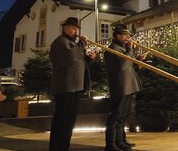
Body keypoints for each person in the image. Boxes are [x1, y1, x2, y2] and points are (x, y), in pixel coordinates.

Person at [49, 17, 96, 151]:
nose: (75, 31)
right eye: (73, 28)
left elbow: (76, 62)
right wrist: (81, 44)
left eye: (76, 28)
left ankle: (64, 146)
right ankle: (56, 147)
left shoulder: (72, 44)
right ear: (65, 28)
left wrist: (88, 58)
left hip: (75, 86)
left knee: (69, 119)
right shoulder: (60, 42)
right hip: (64, 87)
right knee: (61, 118)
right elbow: (70, 57)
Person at [104, 24, 146, 151]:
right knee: (116, 115)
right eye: (124, 35)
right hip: (120, 86)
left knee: (123, 115)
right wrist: (130, 49)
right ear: (117, 35)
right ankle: (110, 143)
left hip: (128, 85)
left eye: (127, 35)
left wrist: (138, 60)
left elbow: (130, 66)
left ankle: (120, 140)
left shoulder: (123, 48)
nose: (127, 38)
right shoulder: (112, 48)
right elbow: (122, 65)